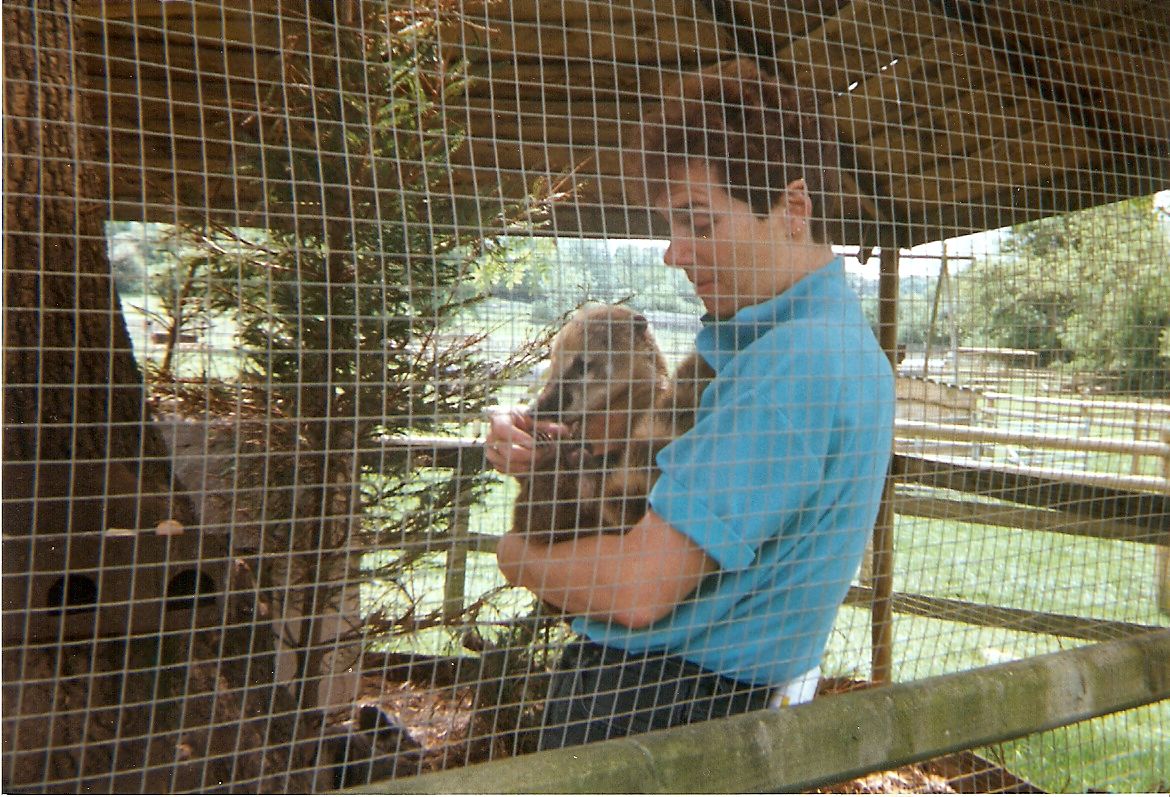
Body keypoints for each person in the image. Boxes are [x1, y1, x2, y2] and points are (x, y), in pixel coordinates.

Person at [485, 57, 895, 749]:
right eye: (671, 225)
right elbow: (650, 494)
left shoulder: (792, 360)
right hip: (725, 710)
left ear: (793, 208)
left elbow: (637, 589)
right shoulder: (829, 344)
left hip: (653, 706)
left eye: (699, 223)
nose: (673, 253)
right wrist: (545, 454)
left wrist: (514, 555)